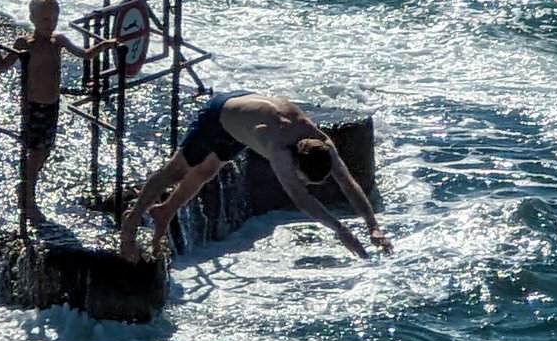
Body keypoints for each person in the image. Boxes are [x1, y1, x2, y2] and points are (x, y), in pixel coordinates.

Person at [116, 91, 390, 263]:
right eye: (303, 177)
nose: (303, 182)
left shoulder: (322, 144)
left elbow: (348, 183)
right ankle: (132, 220)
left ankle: (165, 211)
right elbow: (301, 198)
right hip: (219, 115)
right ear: (295, 160)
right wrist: (341, 230)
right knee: (176, 171)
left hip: (242, 127)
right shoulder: (279, 149)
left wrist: (372, 226)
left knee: (207, 171)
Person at [0, 0, 88, 227]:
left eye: (54, 19)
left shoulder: (59, 41)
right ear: (32, 19)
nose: (50, 24)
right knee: (34, 154)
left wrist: (107, 45)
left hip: (52, 104)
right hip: (33, 106)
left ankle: (26, 189)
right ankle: (28, 199)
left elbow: (84, 54)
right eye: (45, 19)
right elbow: (2, 66)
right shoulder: (25, 44)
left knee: (45, 151)